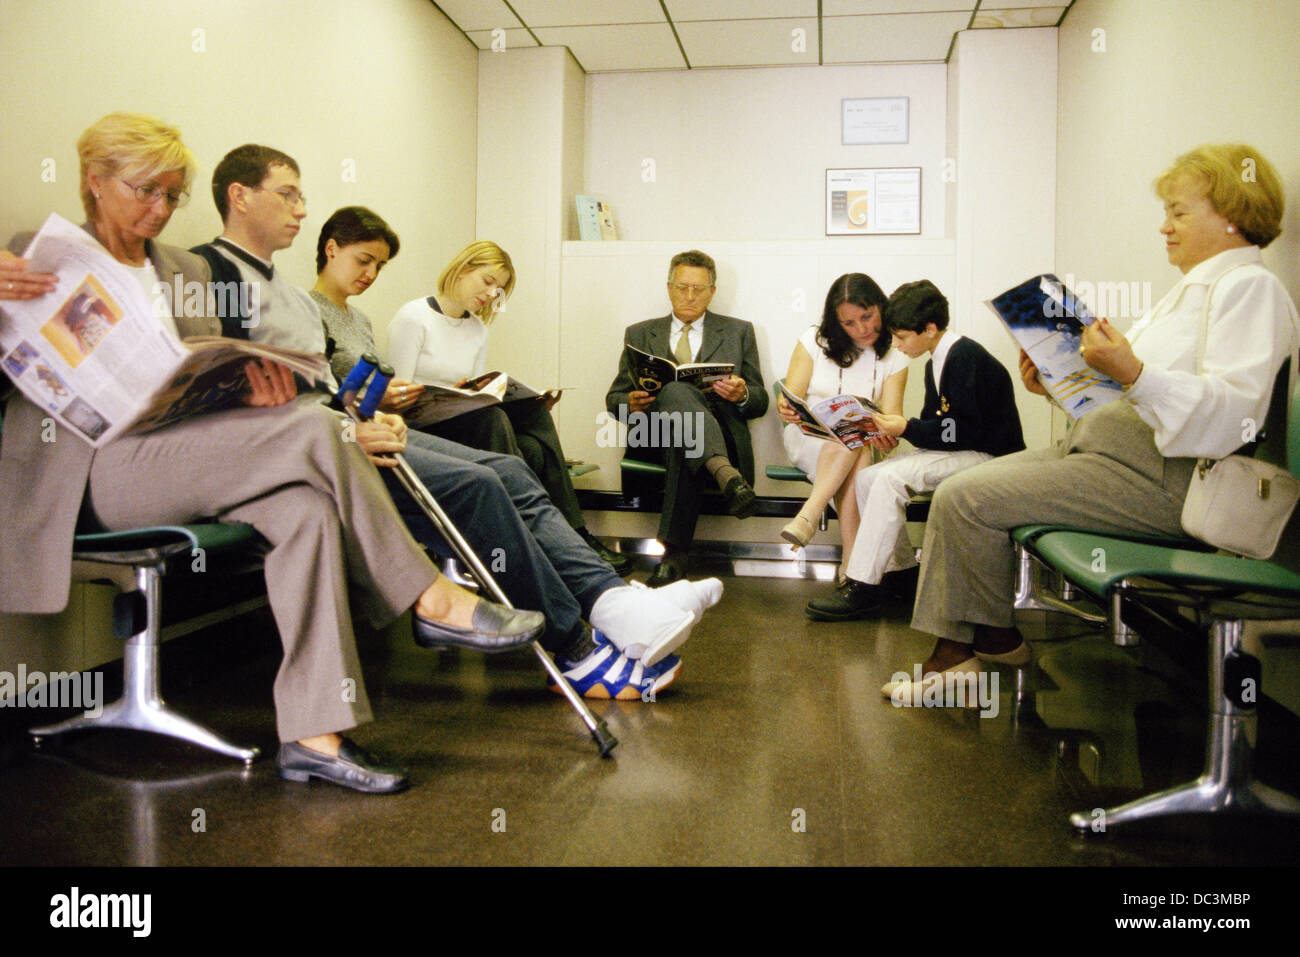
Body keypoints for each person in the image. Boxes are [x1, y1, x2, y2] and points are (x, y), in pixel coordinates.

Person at [0, 113, 544, 795]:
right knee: (320, 428)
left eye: (172, 194)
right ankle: (429, 596)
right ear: (95, 181)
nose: (161, 209)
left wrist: (246, 389)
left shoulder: (183, 268)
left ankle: (315, 736)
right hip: (96, 472)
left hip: (183, 455)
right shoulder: (36, 259)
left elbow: (196, 377)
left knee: (305, 508)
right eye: (145, 190)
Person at [192, 156, 717, 699]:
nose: (301, 208)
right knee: (480, 482)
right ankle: (576, 650)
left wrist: (364, 410)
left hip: (349, 424)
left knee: (510, 469)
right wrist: (346, 425)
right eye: (287, 195)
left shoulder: (286, 296)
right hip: (312, 445)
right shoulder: (208, 275)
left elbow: (317, 389)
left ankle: (616, 603)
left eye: (301, 196)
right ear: (240, 196)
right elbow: (236, 399)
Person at [882, 143, 1300, 703]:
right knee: (963, 490)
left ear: (1233, 215)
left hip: (1170, 477)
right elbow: (1130, 398)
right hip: (1116, 455)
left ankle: (964, 655)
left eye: (1179, 212)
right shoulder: (1194, 292)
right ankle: (991, 641)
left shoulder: (1249, 287)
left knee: (965, 498)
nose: (1165, 227)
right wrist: (1059, 386)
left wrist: (1133, 371)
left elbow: (1235, 416)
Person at [385, 239, 631, 573]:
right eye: (487, 281)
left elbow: (475, 391)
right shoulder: (413, 317)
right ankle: (547, 541)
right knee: (492, 419)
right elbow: (395, 399)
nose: (491, 294)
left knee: (532, 432)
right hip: (419, 428)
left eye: (498, 289)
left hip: (464, 422)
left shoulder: (477, 329)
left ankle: (573, 533)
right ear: (463, 268)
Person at [805, 279, 1024, 621]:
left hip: (990, 456)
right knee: (869, 477)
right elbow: (938, 430)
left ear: (930, 329)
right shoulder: (938, 360)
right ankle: (902, 574)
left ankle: (863, 585)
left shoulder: (964, 357)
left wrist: (905, 427)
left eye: (903, 337)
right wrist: (894, 429)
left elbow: (962, 431)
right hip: (965, 450)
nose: (896, 344)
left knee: (888, 478)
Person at [605, 250, 768, 587]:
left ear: (712, 291)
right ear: (669, 288)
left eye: (699, 289)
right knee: (676, 396)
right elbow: (614, 400)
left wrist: (742, 394)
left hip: (718, 434)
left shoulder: (738, 332)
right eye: (682, 288)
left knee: (684, 433)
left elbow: (760, 401)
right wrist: (630, 404)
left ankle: (674, 556)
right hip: (652, 438)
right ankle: (726, 476)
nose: (690, 296)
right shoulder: (639, 334)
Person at [775, 273, 909, 578]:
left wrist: (888, 434)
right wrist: (786, 407)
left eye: (867, 317)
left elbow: (892, 417)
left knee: (853, 439)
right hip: (809, 437)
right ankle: (851, 567)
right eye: (849, 323)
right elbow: (791, 397)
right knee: (853, 444)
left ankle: (808, 516)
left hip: (863, 442)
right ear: (836, 323)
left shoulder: (897, 353)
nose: (861, 329)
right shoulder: (813, 340)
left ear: (881, 307)